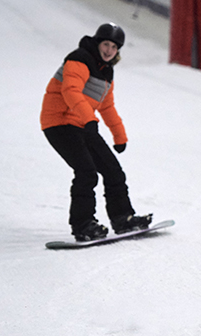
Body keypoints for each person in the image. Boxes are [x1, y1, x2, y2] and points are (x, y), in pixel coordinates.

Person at [40, 22, 151, 241]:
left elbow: (107, 106)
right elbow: (70, 90)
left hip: (82, 123)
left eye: (114, 47)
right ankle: (83, 225)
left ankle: (123, 218)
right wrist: (89, 119)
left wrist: (119, 136)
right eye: (106, 44)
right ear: (98, 43)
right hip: (58, 123)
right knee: (86, 172)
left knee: (113, 171)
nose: (109, 50)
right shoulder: (79, 59)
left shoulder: (106, 71)